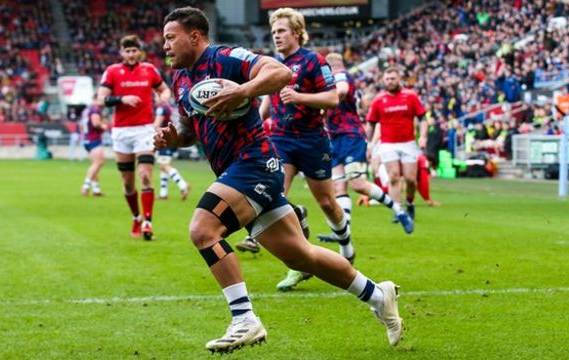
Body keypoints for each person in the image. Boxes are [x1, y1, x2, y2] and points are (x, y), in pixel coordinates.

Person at [157, 7, 402, 354]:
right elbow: (188, 129)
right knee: (301, 256)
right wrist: (173, 138)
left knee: (203, 229)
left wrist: (243, 91)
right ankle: (379, 295)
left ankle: (244, 319)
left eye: (170, 37)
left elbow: (280, 72)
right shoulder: (181, 79)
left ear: (194, 36)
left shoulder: (225, 58)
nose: (165, 45)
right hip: (236, 169)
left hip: (254, 162)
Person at [244, 7, 354, 291]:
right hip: (281, 140)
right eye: (273, 32)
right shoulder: (273, 65)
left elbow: (331, 99)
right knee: (275, 198)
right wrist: (248, 123)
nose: (276, 36)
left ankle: (346, 244)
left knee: (328, 204)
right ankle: (297, 266)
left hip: (313, 140)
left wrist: (299, 96)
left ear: (296, 32)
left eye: (281, 31)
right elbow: (268, 107)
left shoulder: (313, 60)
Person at [315, 53, 409, 243]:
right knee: (338, 186)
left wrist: (321, 103)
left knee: (357, 183)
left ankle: (398, 209)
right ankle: (343, 232)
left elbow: (340, 92)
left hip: (349, 135)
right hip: (333, 137)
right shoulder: (334, 79)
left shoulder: (341, 75)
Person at [96, 34, 171, 240]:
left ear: (139, 52)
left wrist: (163, 99)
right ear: (122, 53)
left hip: (144, 130)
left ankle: (148, 222)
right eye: (127, 51)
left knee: (145, 175)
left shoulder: (149, 69)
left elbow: (164, 90)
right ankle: (136, 217)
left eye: (134, 50)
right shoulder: (112, 71)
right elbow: (100, 100)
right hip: (121, 132)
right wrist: (122, 98)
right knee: (128, 183)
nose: (130, 54)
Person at [366, 67, 426, 230]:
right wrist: (369, 144)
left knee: (410, 179)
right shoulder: (379, 100)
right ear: (383, 80)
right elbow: (371, 124)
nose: (390, 81)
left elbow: (422, 118)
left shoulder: (411, 96)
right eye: (387, 79)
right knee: (393, 176)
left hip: (408, 143)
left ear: (399, 79)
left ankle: (410, 203)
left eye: (393, 78)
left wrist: (423, 136)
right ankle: (398, 210)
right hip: (388, 143)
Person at [153, 101, 191, 200]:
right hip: (175, 137)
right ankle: (163, 194)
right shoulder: (172, 106)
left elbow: (157, 125)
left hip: (166, 138)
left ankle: (183, 185)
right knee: (163, 166)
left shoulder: (162, 107)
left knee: (164, 166)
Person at [81, 101, 108, 196]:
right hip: (94, 139)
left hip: (87, 139)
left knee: (95, 165)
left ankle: (96, 189)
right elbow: (96, 123)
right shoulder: (95, 109)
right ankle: (85, 186)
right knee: (99, 163)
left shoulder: (86, 110)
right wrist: (104, 126)